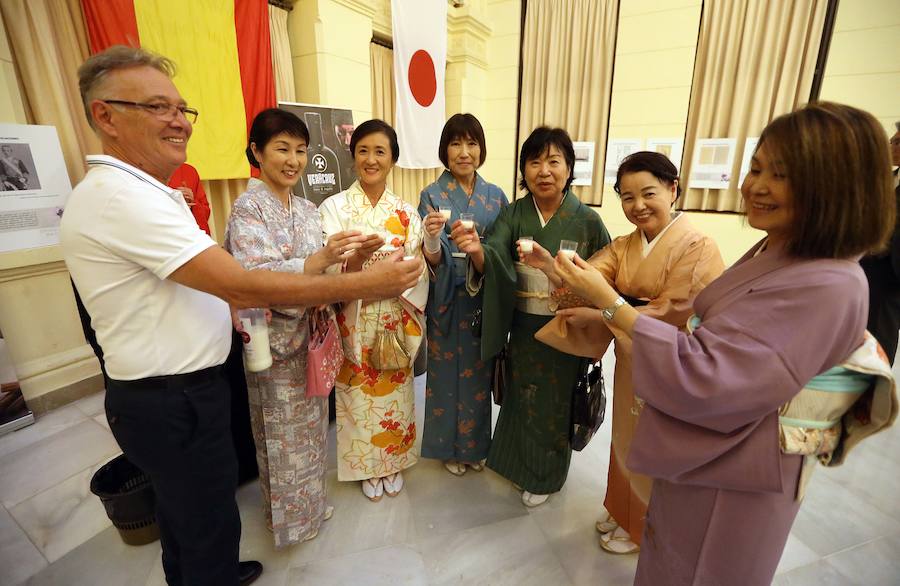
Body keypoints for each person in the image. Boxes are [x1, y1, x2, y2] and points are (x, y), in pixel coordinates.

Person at [61, 46, 422, 586]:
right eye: (157, 107)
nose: (176, 121)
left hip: (303, 339)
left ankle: (281, 525)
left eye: (180, 109)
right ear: (105, 116)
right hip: (232, 360)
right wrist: (351, 275)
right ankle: (285, 520)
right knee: (269, 445)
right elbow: (241, 277)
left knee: (266, 461)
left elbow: (294, 274)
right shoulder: (140, 200)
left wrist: (338, 267)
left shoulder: (295, 207)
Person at [554, 101, 894, 585]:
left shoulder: (828, 282)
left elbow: (706, 365)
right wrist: (581, 286)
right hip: (681, 405)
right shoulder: (777, 247)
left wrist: (612, 307)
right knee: (663, 542)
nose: (756, 185)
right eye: (755, 167)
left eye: (780, 173)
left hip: (740, 459)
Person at [524, 151, 724, 551]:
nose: (638, 206)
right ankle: (623, 507)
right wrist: (552, 267)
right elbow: (591, 276)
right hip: (633, 356)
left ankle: (645, 525)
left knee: (657, 440)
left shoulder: (698, 248)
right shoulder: (626, 244)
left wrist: (605, 314)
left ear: (673, 189)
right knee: (627, 433)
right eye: (627, 197)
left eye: (648, 193)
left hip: (673, 360)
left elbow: (674, 311)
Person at [224, 108, 365, 546]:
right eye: (282, 149)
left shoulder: (305, 208)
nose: (294, 160)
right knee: (280, 433)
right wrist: (318, 262)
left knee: (311, 427)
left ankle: (311, 500)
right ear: (256, 153)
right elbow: (253, 274)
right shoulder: (248, 208)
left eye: (301, 150)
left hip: (312, 336)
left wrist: (347, 259)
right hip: (272, 340)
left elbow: (321, 272)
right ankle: (290, 521)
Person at [453, 126, 611, 507]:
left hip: (566, 326)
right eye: (534, 161)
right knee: (521, 397)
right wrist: (476, 250)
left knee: (555, 403)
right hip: (523, 324)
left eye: (554, 161)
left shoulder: (587, 221)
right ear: (523, 170)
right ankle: (518, 466)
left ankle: (545, 476)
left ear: (569, 168)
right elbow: (492, 252)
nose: (544, 170)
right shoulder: (514, 213)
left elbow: (605, 276)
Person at [319, 119, 429, 502]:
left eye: (380, 151)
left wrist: (397, 279)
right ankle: (367, 466)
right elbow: (329, 269)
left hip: (394, 317)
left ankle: (393, 462)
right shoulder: (334, 208)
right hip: (353, 315)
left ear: (393, 159)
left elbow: (418, 269)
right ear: (353, 157)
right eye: (363, 150)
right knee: (356, 397)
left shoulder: (405, 213)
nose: (371, 159)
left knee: (396, 395)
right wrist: (360, 265)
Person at [418, 113, 508, 476]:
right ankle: (448, 448)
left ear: (481, 149)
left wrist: (480, 253)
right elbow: (432, 254)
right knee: (444, 375)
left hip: (482, 298)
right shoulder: (431, 194)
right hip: (446, 296)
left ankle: (474, 446)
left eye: (472, 143)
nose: (464, 152)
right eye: (456, 143)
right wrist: (429, 239)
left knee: (477, 376)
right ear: (445, 150)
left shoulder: (495, 196)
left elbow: (500, 252)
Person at [860, 121, 900, 363]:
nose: (891, 146)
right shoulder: (886, 178)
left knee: (880, 334)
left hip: (891, 274)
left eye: (896, 141)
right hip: (864, 265)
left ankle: (874, 389)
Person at [168, 162, 211, 235]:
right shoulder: (145, 173)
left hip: (190, 234)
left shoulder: (189, 171)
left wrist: (193, 203)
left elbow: (205, 211)